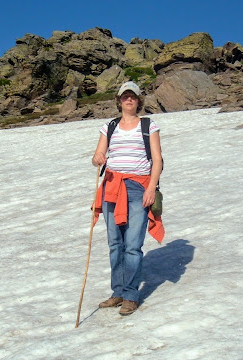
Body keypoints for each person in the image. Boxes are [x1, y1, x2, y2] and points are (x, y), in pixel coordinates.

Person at [91, 81, 164, 316]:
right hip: (111, 187)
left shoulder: (148, 126)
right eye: (125, 96)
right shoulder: (110, 127)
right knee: (115, 244)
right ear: (119, 100)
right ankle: (118, 292)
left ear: (139, 100)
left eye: (133, 96)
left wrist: (151, 188)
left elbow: (157, 159)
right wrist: (99, 157)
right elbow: (97, 155)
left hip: (137, 188)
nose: (129, 100)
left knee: (132, 245)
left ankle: (131, 295)